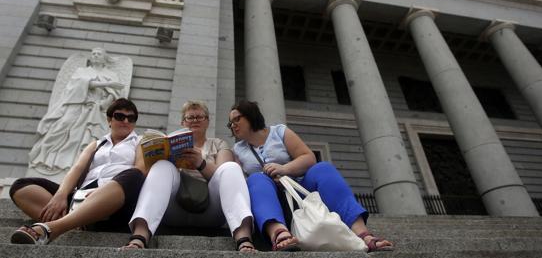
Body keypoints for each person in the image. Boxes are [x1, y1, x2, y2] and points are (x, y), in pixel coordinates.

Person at [229, 100, 394, 252]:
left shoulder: (279, 132)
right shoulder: (237, 149)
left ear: (251, 115)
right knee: (257, 178)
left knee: (323, 168)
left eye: (237, 119)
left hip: (298, 195)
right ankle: (278, 233)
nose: (233, 125)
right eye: (230, 123)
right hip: (268, 202)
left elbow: (308, 157)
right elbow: (239, 182)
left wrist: (284, 169)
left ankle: (362, 234)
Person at [125, 100, 256, 252]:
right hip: (174, 206)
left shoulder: (218, 144)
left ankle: (243, 237)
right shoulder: (169, 143)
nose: (195, 120)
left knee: (231, 167)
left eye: (199, 117)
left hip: (210, 208)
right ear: (183, 122)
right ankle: (140, 235)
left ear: (207, 121)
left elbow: (224, 175)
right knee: (162, 166)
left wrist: (200, 163)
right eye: (190, 117)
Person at [9, 98, 145, 245]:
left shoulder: (139, 142)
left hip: (115, 202)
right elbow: (77, 169)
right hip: (81, 197)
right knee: (21, 187)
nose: (126, 121)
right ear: (109, 120)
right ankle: (77, 221)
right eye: (120, 116)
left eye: (131, 118)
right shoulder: (96, 144)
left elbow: (140, 169)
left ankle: (53, 228)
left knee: (135, 175)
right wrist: (61, 195)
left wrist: (103, 192)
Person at [29, 47, 125, 176]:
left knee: (88, 138)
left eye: (99, 54)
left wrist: (105, 103)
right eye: (93, 54)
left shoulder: (111, 75)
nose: (95, 56)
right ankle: (45, 158)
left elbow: (115, 94)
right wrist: (105, 84)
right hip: (77, 105)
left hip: (97, 110)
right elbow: (78, 85)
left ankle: (76, 166)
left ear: (104, 59)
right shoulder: (82, 71)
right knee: (62, 126)